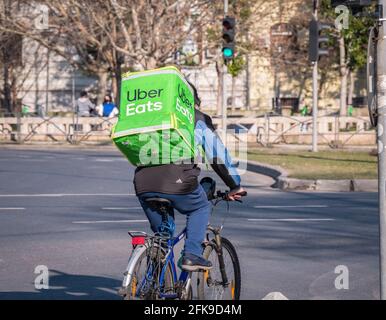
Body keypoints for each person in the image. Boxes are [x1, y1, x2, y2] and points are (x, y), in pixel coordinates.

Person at [135, 81, 246, 271]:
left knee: (163, 237)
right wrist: (235, 184)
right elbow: (217, 156)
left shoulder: (151, 115)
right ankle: (192, 254)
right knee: (200, 207)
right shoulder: (195, 117)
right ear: (192, 100)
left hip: (143, 182)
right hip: (178, 181)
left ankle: (154, 280)